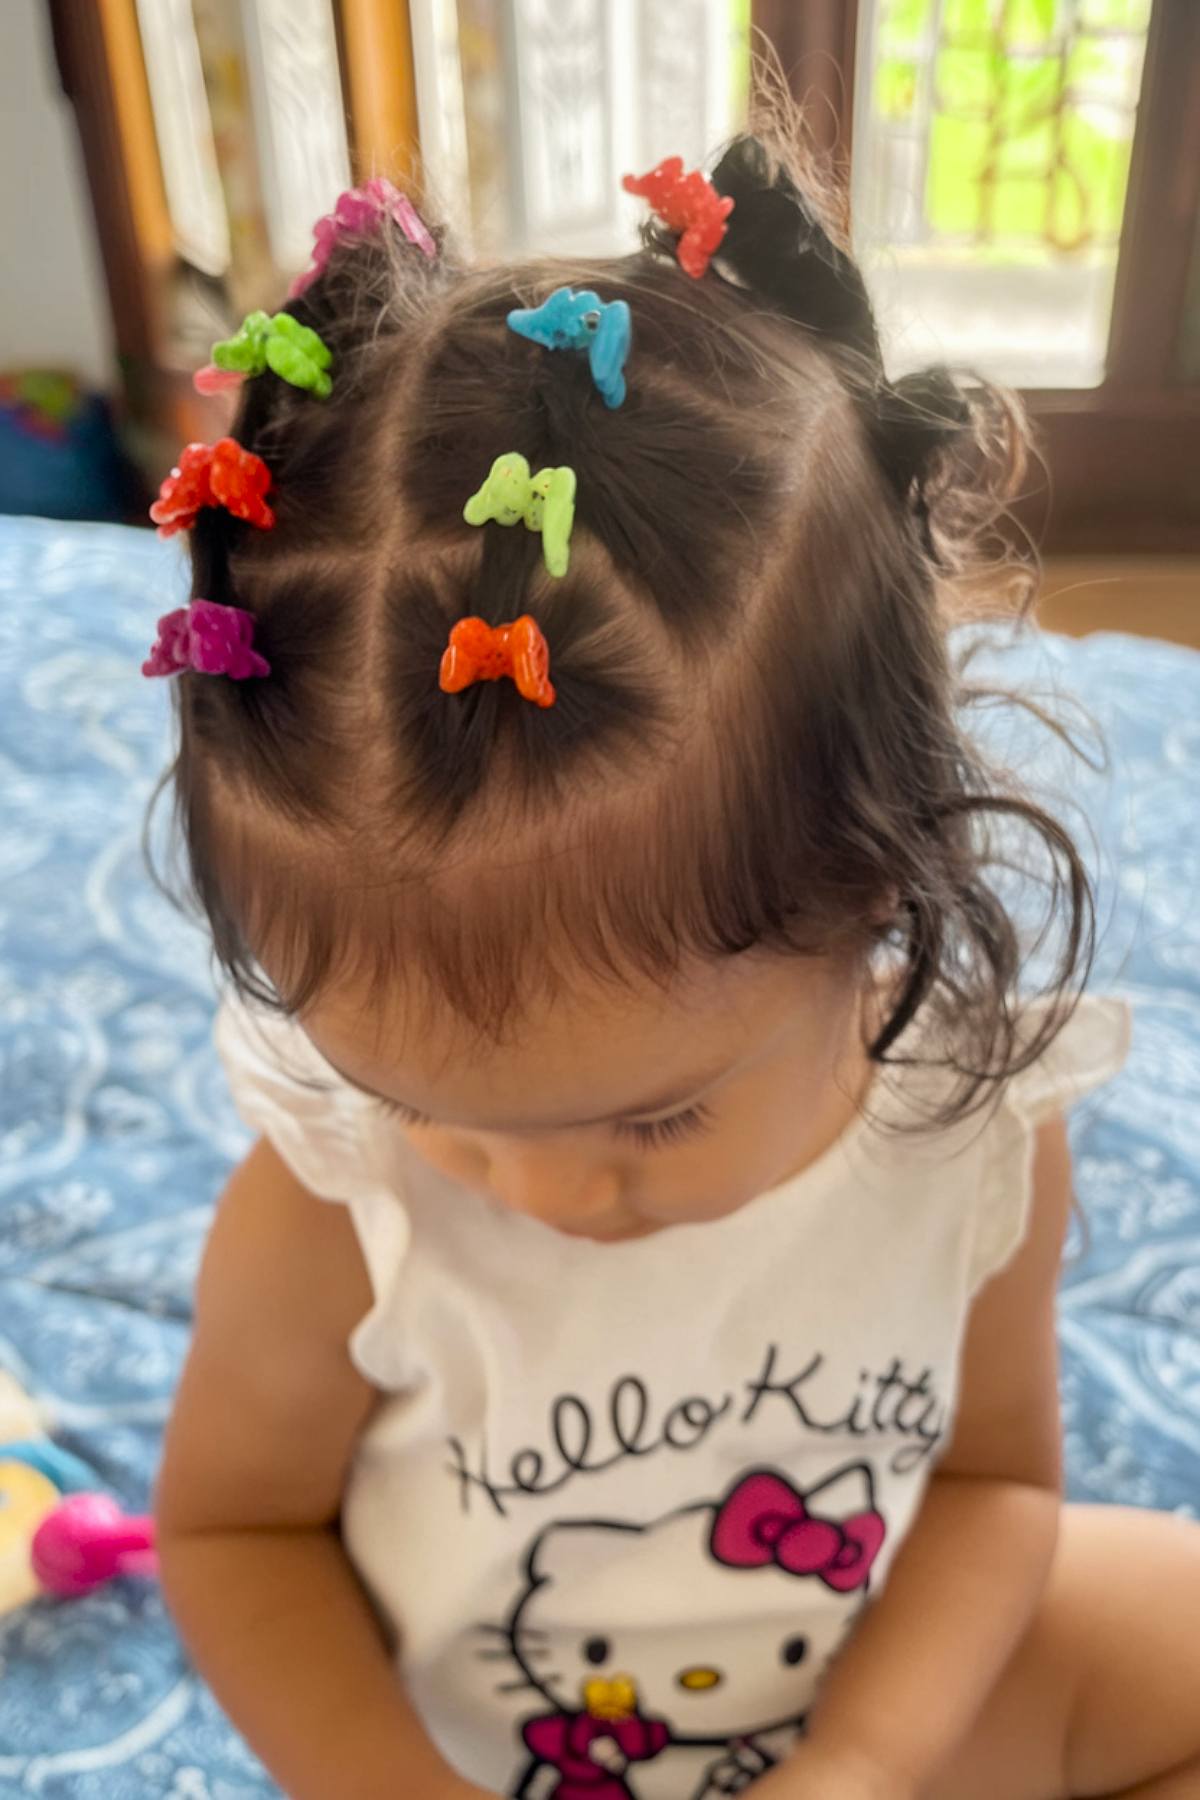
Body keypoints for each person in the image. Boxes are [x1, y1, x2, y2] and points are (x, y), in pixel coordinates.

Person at [150, 132, 1200, 1800]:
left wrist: (855, 1768)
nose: (541, 1192)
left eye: (650, 1121)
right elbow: (229, 1530)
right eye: (434, 1109)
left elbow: (997, 1490)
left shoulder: (977, 1128)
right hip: (495, 1756)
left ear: (876, 897)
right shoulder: (337, 1207)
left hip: (864, 1712)